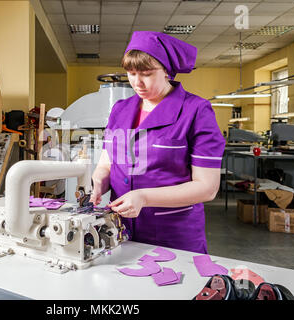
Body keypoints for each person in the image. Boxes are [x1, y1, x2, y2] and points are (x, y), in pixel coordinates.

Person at [90, 31, 226, 254]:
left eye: (146, 73)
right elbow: (107, 162)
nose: (137, 82)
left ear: (166, 72)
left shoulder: (196, 111)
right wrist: (99, 182)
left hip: (171, 234)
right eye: (131, 73)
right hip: (119, 229)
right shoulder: (120, 110)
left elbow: (207, 188)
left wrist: (144, 197)